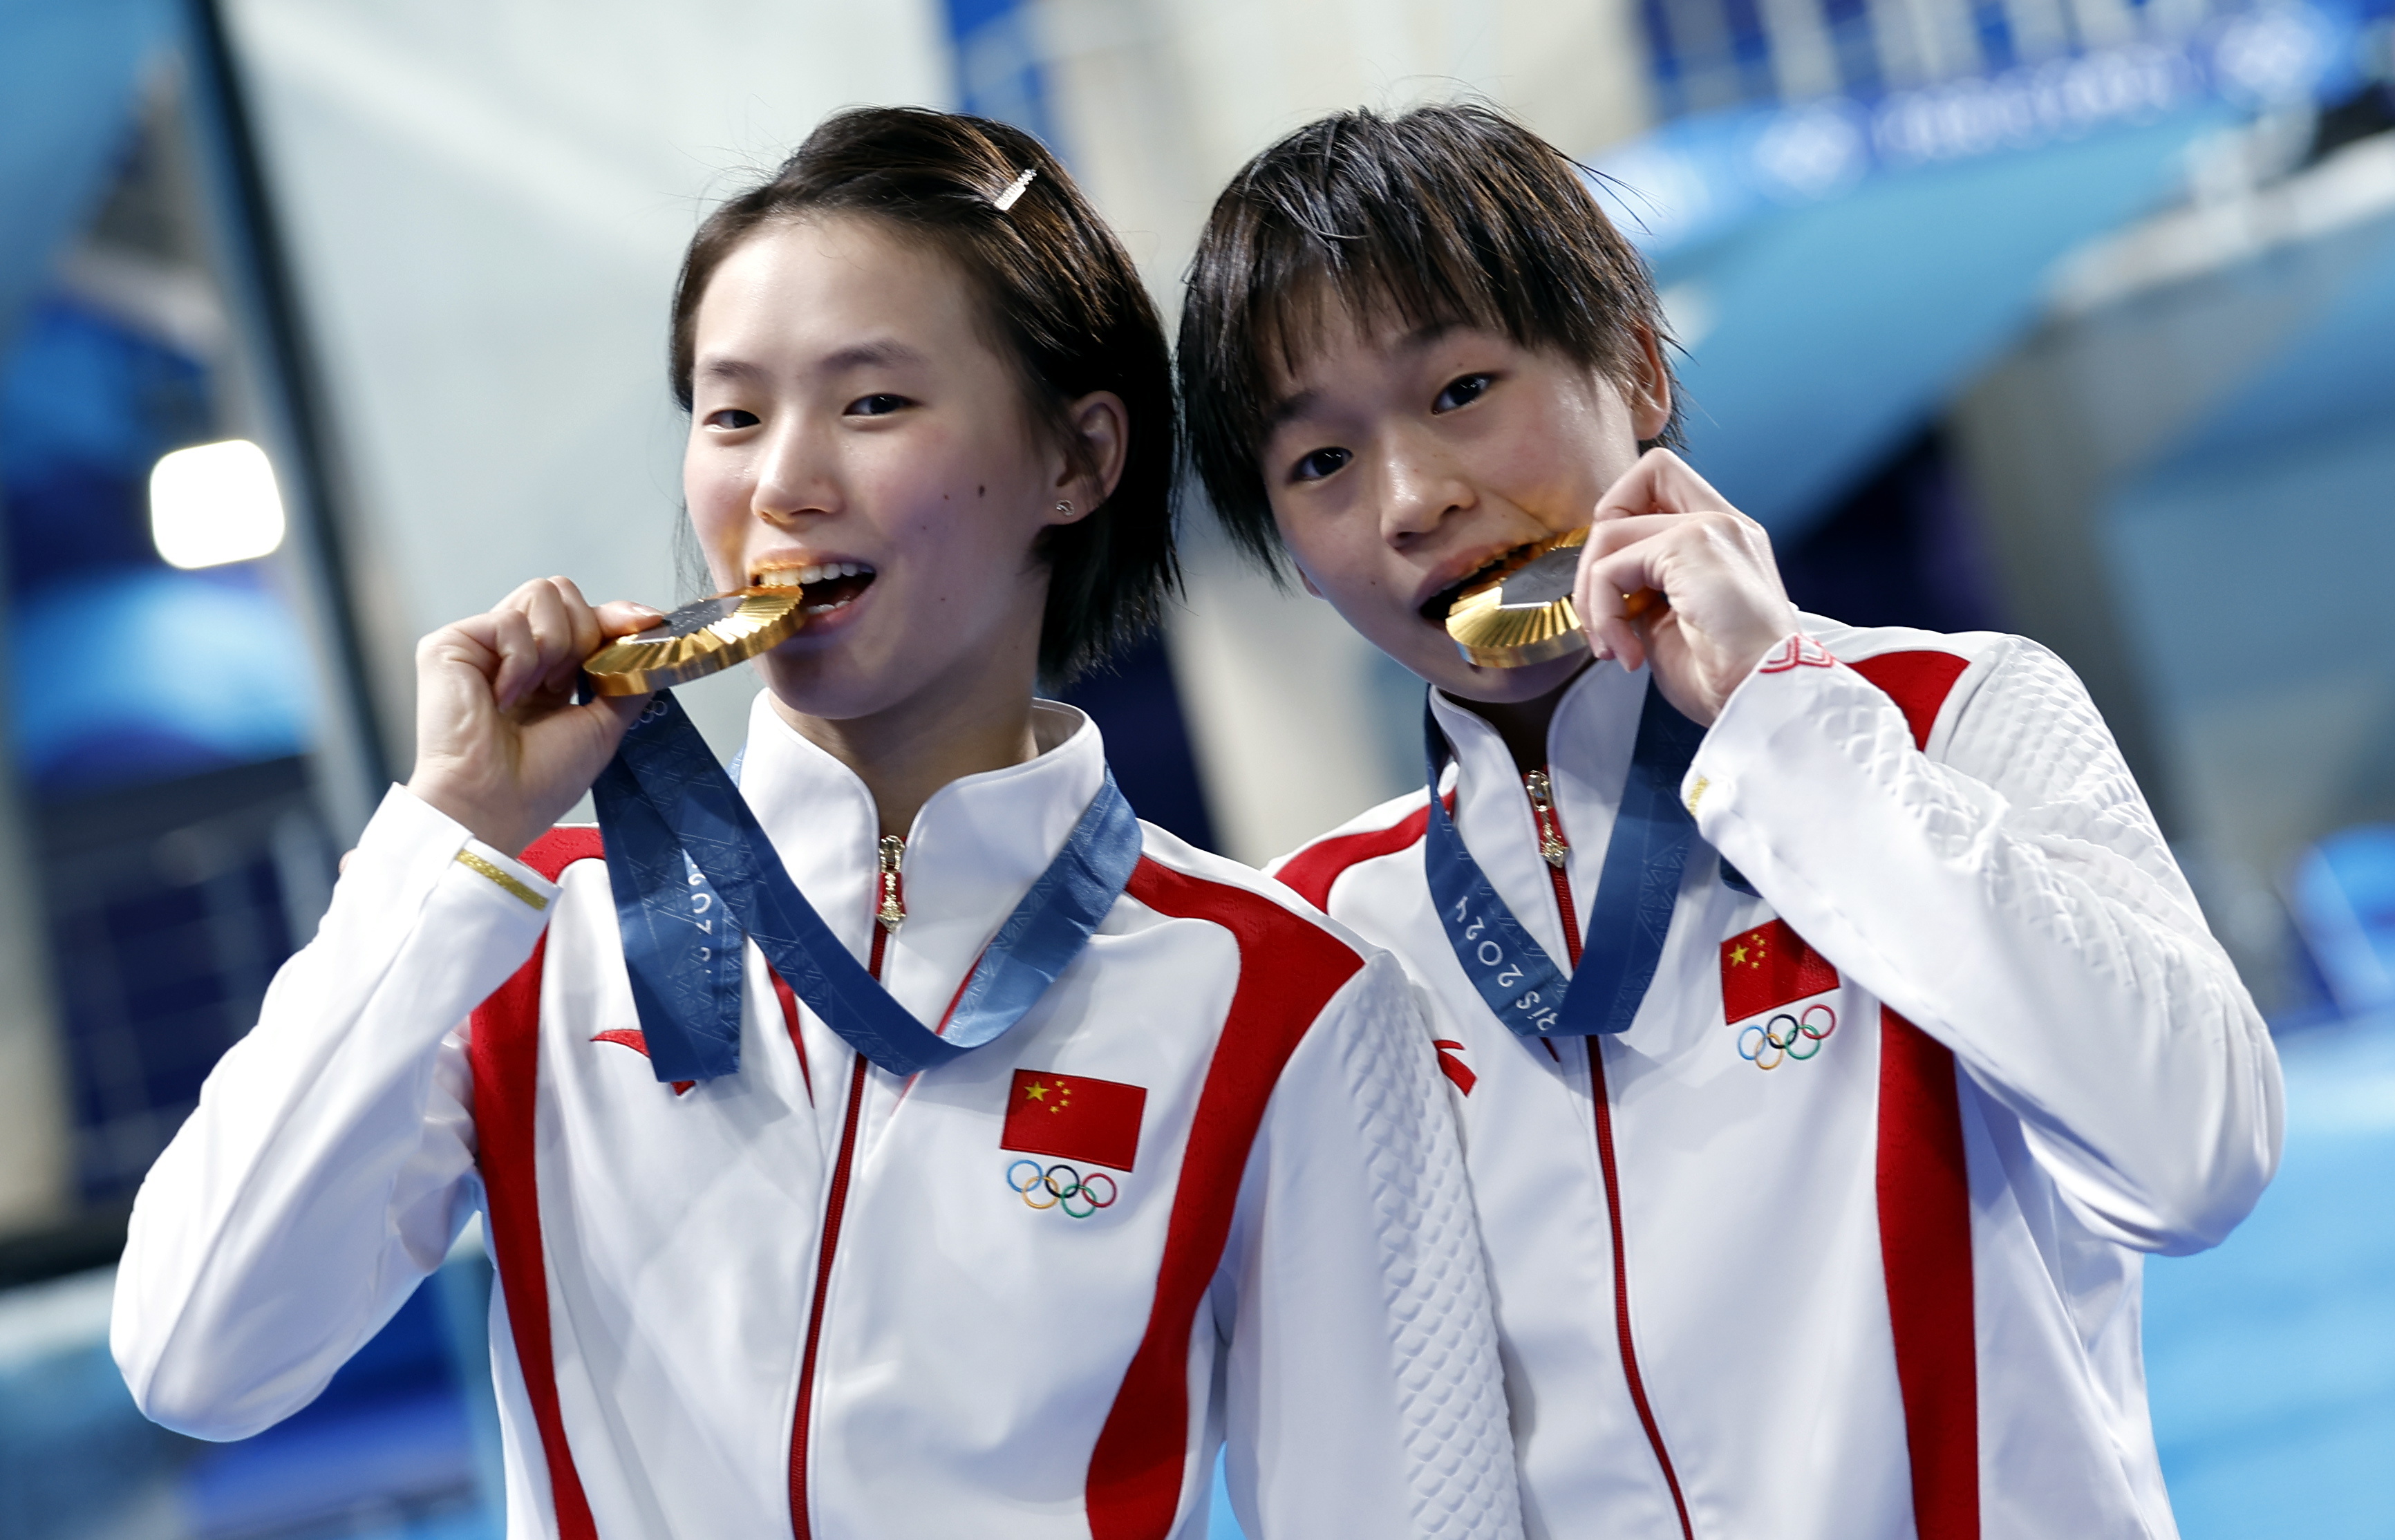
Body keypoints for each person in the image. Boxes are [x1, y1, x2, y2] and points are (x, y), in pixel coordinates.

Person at [113, 108, 1521, 1540]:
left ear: (1076, 459)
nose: (780, 482)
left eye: (870, 405)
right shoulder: (529, 938)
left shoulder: (1279, 996)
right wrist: (447, 835)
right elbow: (197, 1357)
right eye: (730, 414)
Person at [1177, 103, 2282, 1540]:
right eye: (1316, 465)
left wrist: (1786, 725)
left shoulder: (1948, 716)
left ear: (1632, 363)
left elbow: (2194, 1152)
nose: (1411, 499)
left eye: (1458, 389)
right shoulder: (1327, 931)